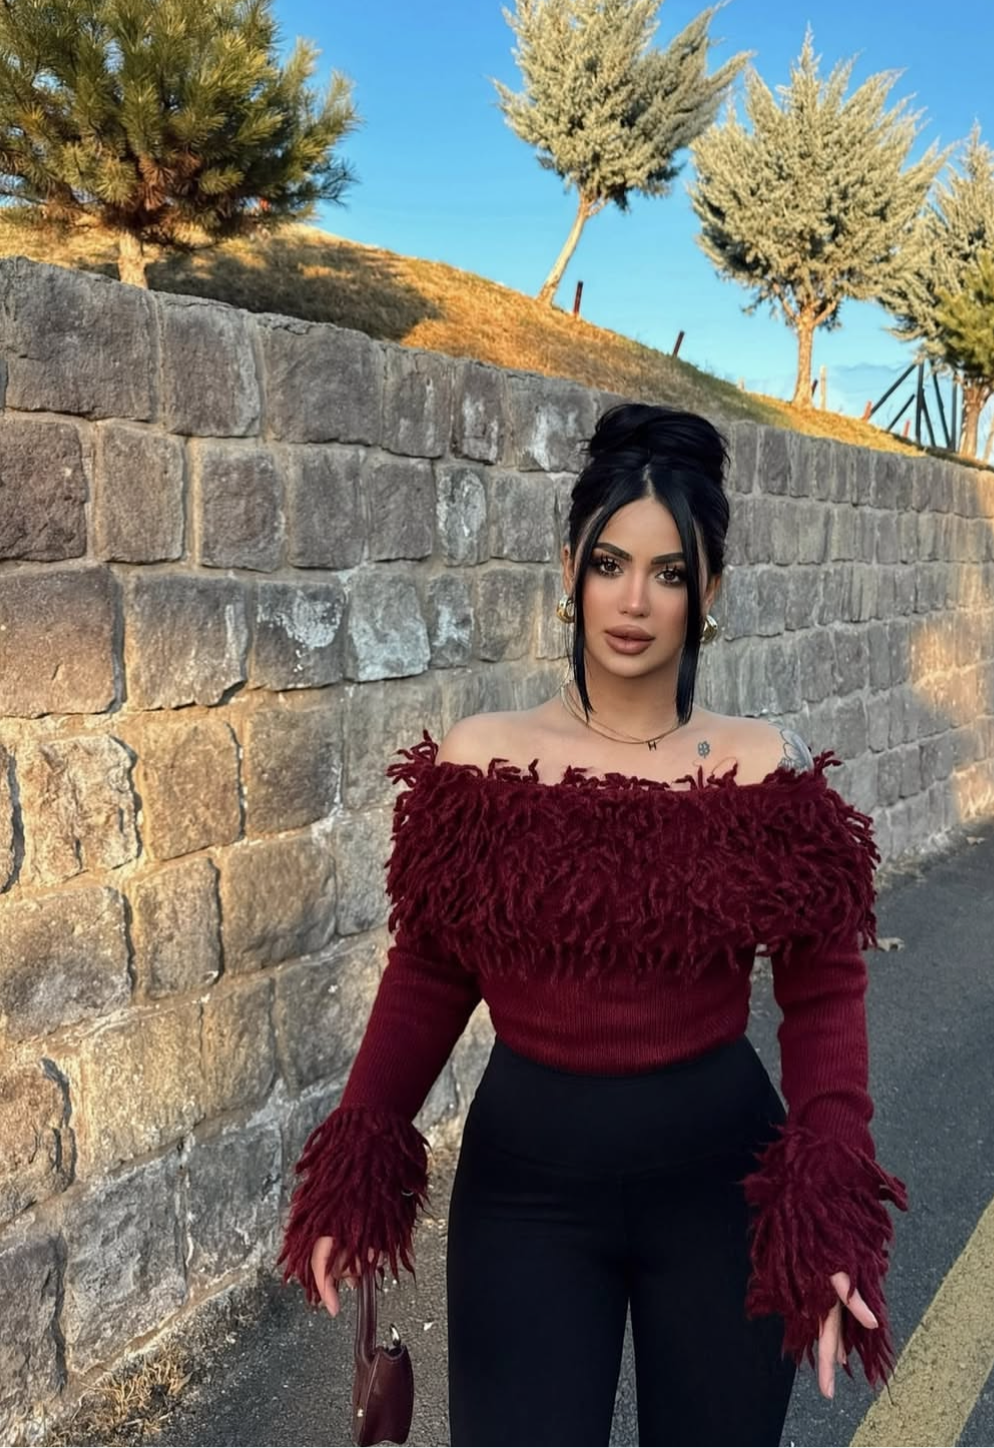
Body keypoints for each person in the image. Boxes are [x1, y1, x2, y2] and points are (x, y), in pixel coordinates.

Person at [276, 402, 907, 1448]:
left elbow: (823, 990)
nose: (633, 599)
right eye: (610, 562)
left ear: (708, 590)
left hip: (723, 1186)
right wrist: (354, 1169)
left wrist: (833, 1197)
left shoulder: (763, 770)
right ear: (569, 564)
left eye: (668, 572)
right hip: (526, 1187)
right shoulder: (482, 759)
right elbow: (430, 970)